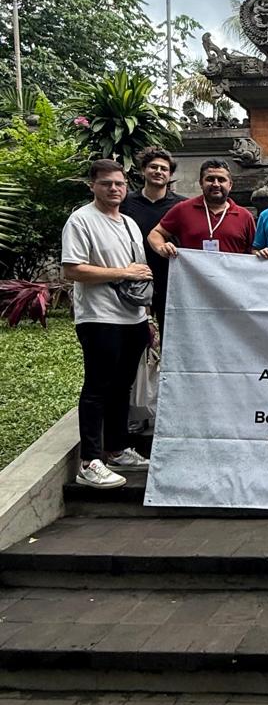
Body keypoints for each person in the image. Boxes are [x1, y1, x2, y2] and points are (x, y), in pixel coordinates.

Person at [61, 160, 153, 489]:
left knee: (121, 386)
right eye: (106, 183)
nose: (114, 189)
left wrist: (147, 316)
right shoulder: (81, 220)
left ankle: (116, 448)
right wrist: (122, 273)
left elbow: (139, 271)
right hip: (99, 317)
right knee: (97, 387)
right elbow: (72, 269)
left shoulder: (129, 223)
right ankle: (90, 461)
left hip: (133, 317)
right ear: (93, 185)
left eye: (119, 183)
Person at [121, 146, 183, 335]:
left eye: (164, 169)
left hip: (170, 278)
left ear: (170, 175)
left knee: (171, 334)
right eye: (153, 167)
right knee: (134, 336)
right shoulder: (125, 203)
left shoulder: (181, 205)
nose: (158, 171)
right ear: (143, 170)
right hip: (134, 276)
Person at [147, 159, 255, 259]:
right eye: (210, 179)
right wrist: (161, 247)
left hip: (231, 274)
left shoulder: (245, 216)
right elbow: (156, 233)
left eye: (221, 180)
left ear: (230, 185)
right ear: (201, 183)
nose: (215, 184)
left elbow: (254, 250)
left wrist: (260, 253)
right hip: (192, 274)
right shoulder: (183, 209)